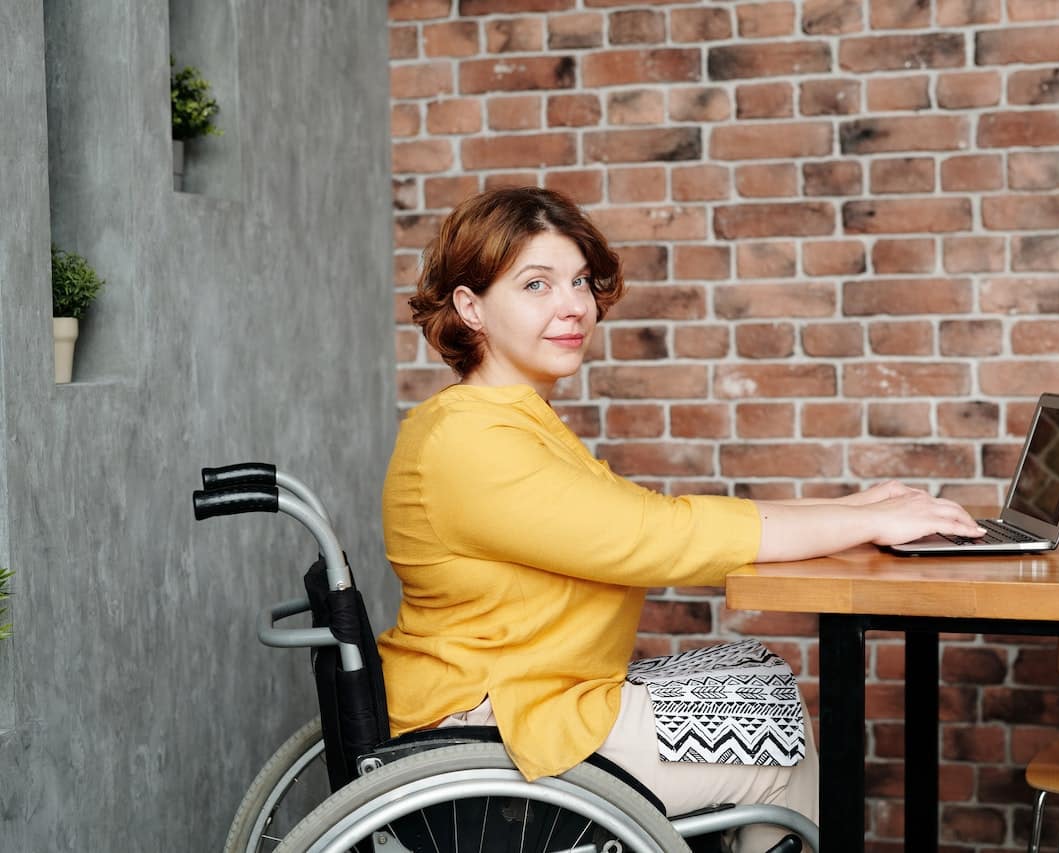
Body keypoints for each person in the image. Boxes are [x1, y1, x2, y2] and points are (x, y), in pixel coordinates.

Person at [378, 186, 984, 852]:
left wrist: (854, 509)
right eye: (536, 284)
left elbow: (646, 520)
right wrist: (860, 522)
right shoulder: (471, 441)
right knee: (780, 754)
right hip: (505, 720)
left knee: (765, 682)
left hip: (542, 693)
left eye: (578, 281)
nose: (573, 305)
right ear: (471, 307)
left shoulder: (508, 422)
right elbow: (658, 536)